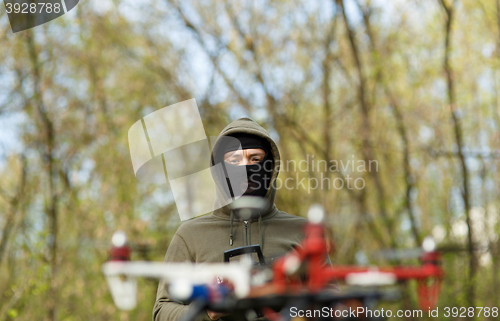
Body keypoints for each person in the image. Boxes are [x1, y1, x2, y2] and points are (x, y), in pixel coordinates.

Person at [153, 117, 308, 321]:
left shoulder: (302, 231)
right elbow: (162, 311)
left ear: (270, 167)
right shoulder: (190, 235)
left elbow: (330, 303)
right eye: (234, 161)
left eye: (255, 159)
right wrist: (207, 312)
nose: (245, 168)